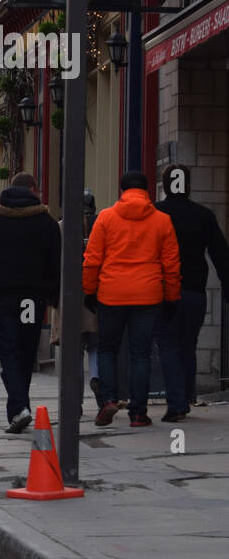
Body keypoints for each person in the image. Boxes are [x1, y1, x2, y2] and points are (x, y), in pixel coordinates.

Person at [83, 171, 181, 428]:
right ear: (147, 191)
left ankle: (108, 400)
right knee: (141, 354)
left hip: (111, 293)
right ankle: (138, 412)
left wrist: (89, 292)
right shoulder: (162, 221)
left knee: (107, 349)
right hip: (148, 296)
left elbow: (92, 260)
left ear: (122, 191)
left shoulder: (106, 218)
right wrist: (171, 297)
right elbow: (171, 265)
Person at [0, 172, 62, 434]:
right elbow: (56, 263)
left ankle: (19, 409)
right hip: (32, 299)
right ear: (34, 190)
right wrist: (49, 291)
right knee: (26, 350)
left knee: (9, 351)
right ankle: (20, 408)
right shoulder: (46, 223)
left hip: (5, 297)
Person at [155, 163, 229, 420]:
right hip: (195, 292)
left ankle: (177, 402)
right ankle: (187, 396)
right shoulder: (203, 215)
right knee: (188, 345)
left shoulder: (156, 214)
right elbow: (221, 255)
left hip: (164, 291)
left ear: (165, 186)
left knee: (168, 345)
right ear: (187, 185)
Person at [50, 192, 100, 410]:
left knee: (74, 353)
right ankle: (98, 384)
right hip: (97, 296)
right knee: (97, 348)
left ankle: (75, 403)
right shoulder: (101, 224)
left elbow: (52, 263)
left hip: (69, 296)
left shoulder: (60, 227)